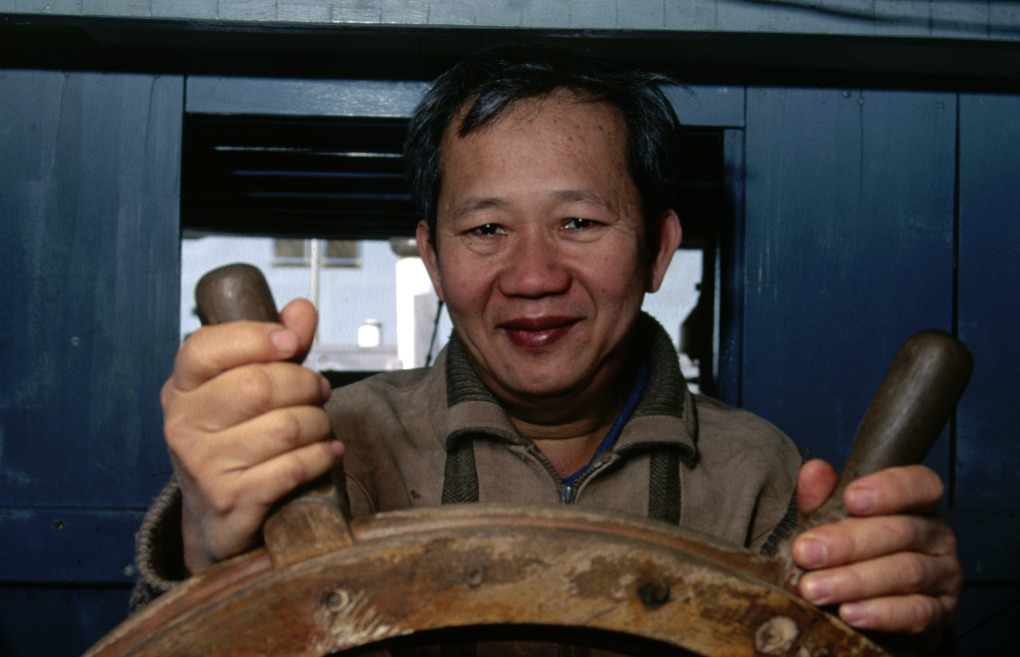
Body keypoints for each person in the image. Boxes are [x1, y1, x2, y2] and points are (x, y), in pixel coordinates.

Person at [134, 44, 961, 654]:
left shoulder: (760, 474)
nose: (532, 274)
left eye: (579, 223)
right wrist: (211, 552)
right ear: (431, 256)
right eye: (486, 228)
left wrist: (897, 627)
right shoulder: (330, 445)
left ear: (659, 248)